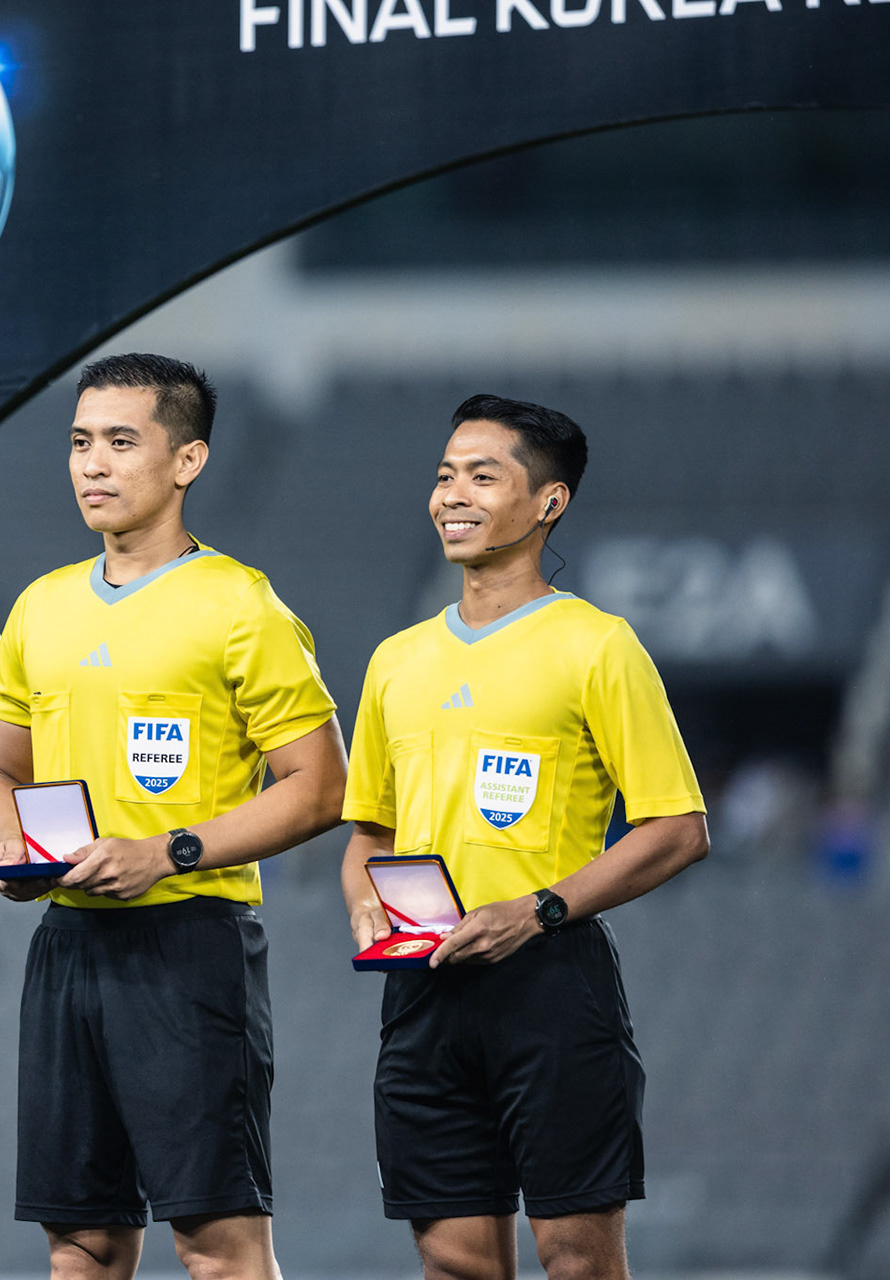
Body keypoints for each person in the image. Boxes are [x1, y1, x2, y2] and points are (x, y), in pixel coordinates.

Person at [0, 353, 347, 1280]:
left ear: (187, 461)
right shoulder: (40, 606)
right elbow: (0, 772)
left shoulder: (240, 605)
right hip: (67, 945)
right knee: (82, 1245)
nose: (92, 465)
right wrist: (11, 843)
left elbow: (319, 785)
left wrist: (169, 852)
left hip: (190, 943)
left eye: (120, 442)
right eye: (78, 442)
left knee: (217, 1246)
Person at [340, 394, 709, 1280]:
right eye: (443, 475)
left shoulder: (597, 645)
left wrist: (536, 911)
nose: (452, 494)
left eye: (482, 475)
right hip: (422, 990)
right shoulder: (397, 659)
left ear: (549, 504)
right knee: (455, 1265)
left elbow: (679, 827)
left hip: (549, 982)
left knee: (577, 1260)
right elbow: (368, 831)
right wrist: (366, 904)